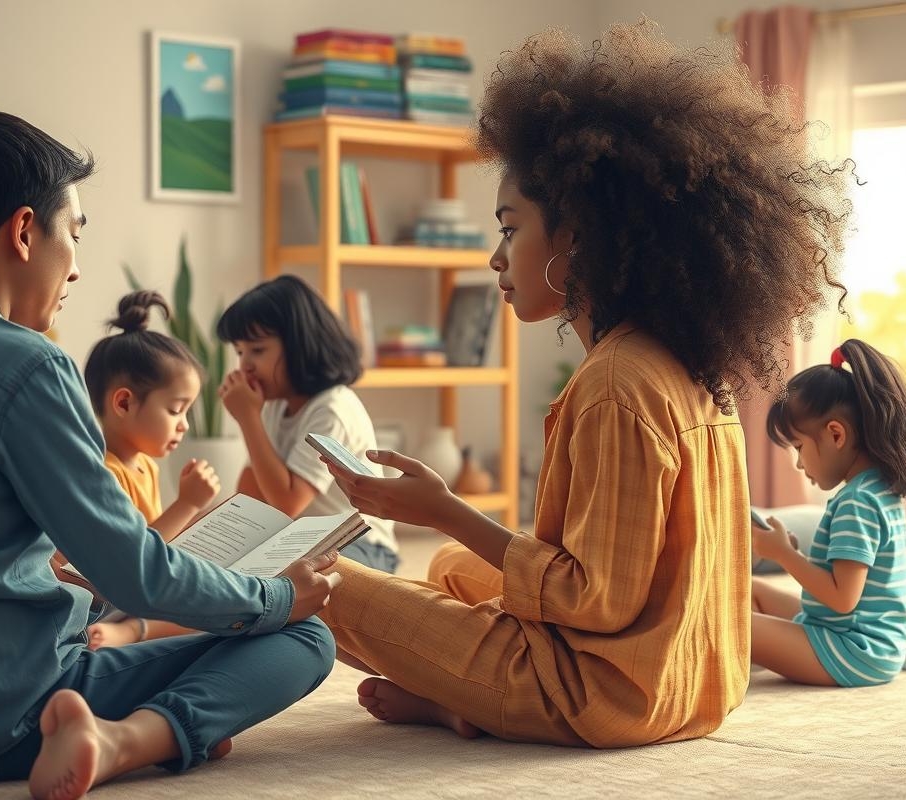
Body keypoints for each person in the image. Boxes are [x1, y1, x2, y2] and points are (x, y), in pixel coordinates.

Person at [315, 21, 853, 746]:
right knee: (449, 569)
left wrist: (443, 509)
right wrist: (452, 529)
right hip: (698, 682)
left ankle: (466, 698)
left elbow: (590, 599)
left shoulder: (616, 387)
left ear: (576, 237)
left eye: (510, 228)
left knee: (317, 579)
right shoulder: (679, 365)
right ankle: (454, 701)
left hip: (598, 695)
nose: (496, 257)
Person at [0, 109, 340, 798]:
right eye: (72, 235)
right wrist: (279, 596)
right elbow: (135, 571)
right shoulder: (26, 367)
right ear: (22, 231)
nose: (75, 267)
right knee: (305, 638)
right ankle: (124, 741)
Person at [750, 340, 906, 686]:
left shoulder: (857, 501)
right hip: (852, 637)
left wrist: (784, 556)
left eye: (798, 448)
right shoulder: (874, 489)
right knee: (750, 590)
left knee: (733, 621)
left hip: (855, 650)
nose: (798, 463)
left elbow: (841, 598)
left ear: (835, 434)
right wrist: (795, 553)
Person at [216, 274, 397, 572]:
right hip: (302, 543)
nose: (244, 365)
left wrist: (248, 419)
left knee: (285, 582)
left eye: (257, 350)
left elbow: (287, 502)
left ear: (300, 345)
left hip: (359, 545)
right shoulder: (273, 407)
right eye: (239, 352)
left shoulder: (331, 408)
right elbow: (251, 498)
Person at [77, 290, 221, 650]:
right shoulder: (104, 471)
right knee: (218, 610)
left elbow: (158, 539)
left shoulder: (144, 465)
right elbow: (134, 558)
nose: (184, 424)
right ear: (124, 402)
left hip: (137, 592)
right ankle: (128, 632)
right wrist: (186, 504)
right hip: (105, 602)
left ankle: (135, 630)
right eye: (175, 410)